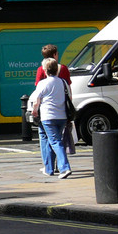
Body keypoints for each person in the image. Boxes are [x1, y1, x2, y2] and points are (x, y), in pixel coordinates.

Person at [32, 44, 73, 172]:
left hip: (46, 112)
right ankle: (52, 167)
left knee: (46, 137)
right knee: (57, 138)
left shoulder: (41, 71)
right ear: (55, 55)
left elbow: (37, 90)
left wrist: (35, 109)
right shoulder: (64, 70)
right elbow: (69, 92)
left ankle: (51, 166)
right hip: (61, 111)